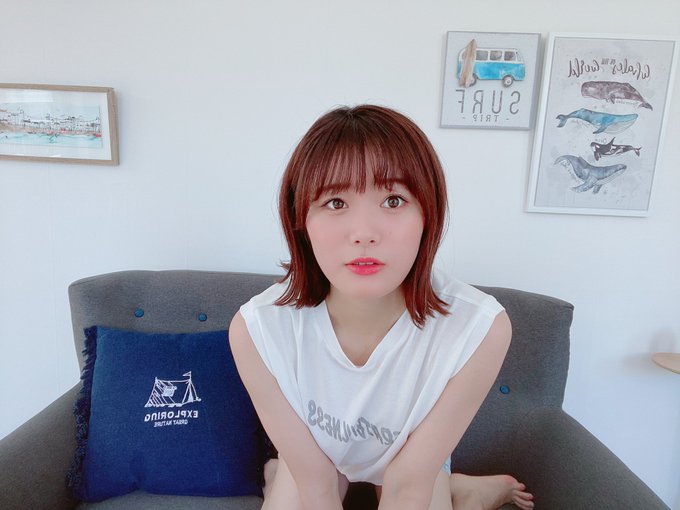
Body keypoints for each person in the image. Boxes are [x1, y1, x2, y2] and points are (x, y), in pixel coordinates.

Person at [229, 104, 535, 510]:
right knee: (306, 484)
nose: (364, 234)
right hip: (319, 460)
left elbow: (407, 484)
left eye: (393, 200)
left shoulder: (479, 328)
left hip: (411, 463)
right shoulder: (257, 329)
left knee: (416, 483)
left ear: (428, 214)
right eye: (335, 202)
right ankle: (279, 474)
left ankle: (460, 488)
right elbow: (317, 486)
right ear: (300, 218)